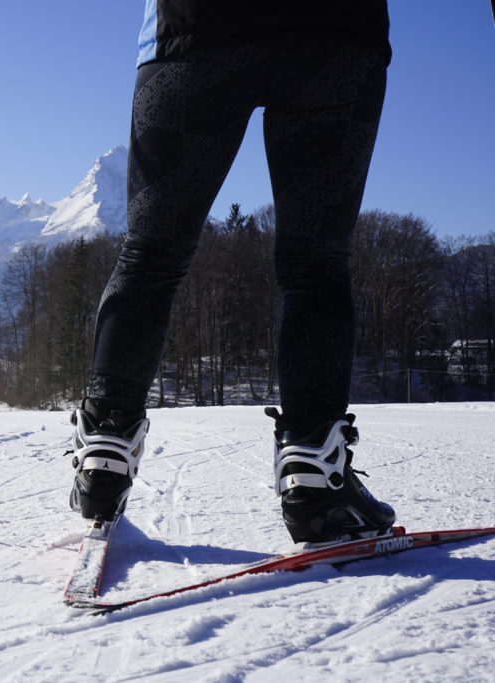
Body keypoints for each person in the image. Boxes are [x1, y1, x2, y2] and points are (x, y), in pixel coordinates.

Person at [68, 0, 396, 544]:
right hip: (337, 33)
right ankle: (316, 477)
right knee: (315, 263)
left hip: (192, 30)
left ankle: (105, 449)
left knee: (151, 254)